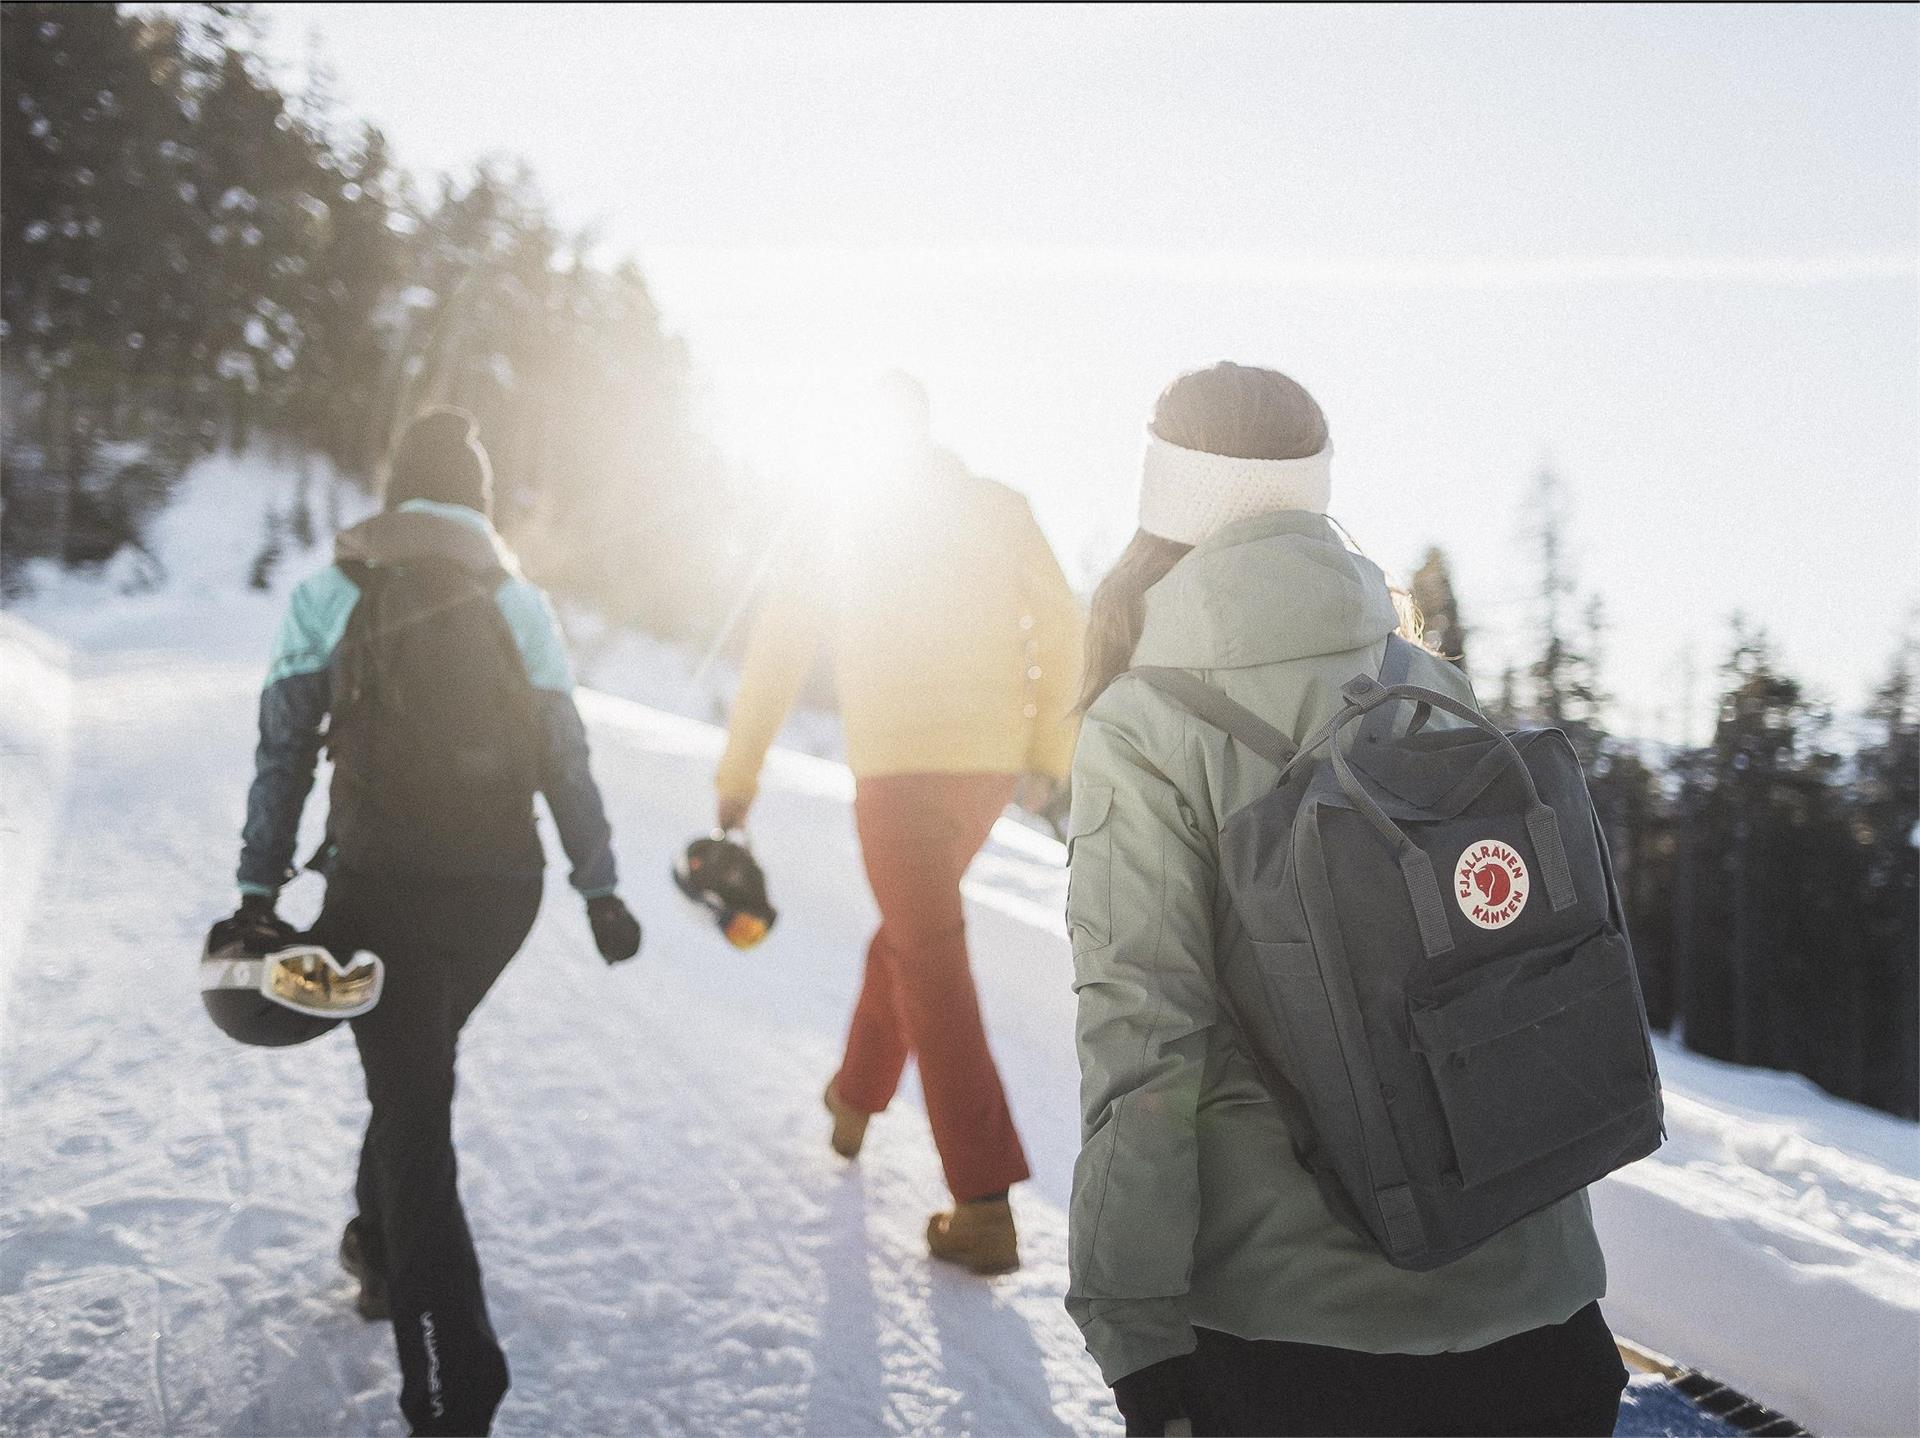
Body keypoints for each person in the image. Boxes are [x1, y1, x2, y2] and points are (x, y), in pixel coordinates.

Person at [1064, 363, 1628, 1437]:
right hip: (1544, 1320)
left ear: (1164, 500)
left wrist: (1135, 1332)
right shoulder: (1424, 676)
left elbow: (1146, 1044)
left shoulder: (1145, 721)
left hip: (1300, 1344)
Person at [219, 407, 643, 1436]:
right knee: (414, 1066)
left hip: (381, 889)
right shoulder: (520, 602)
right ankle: (376, 1246)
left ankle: (457, 1386)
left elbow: (284, 751)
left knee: (415, 1108)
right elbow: (566, 759)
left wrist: (259, 896)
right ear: (479, 500)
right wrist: (600, 887)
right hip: (505, 892)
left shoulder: (335, 588)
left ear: (395, 488)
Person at [714, 373, 1083, 1275]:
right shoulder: (1000, 509)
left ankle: (984, 1200)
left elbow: (776, 653)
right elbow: (1067, 623)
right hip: (985, 771)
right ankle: (854, 1096)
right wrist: (1047, 751)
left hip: (897, 770)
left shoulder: (835, 523)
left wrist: (739, 775)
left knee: (930, 952)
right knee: (916, 933)